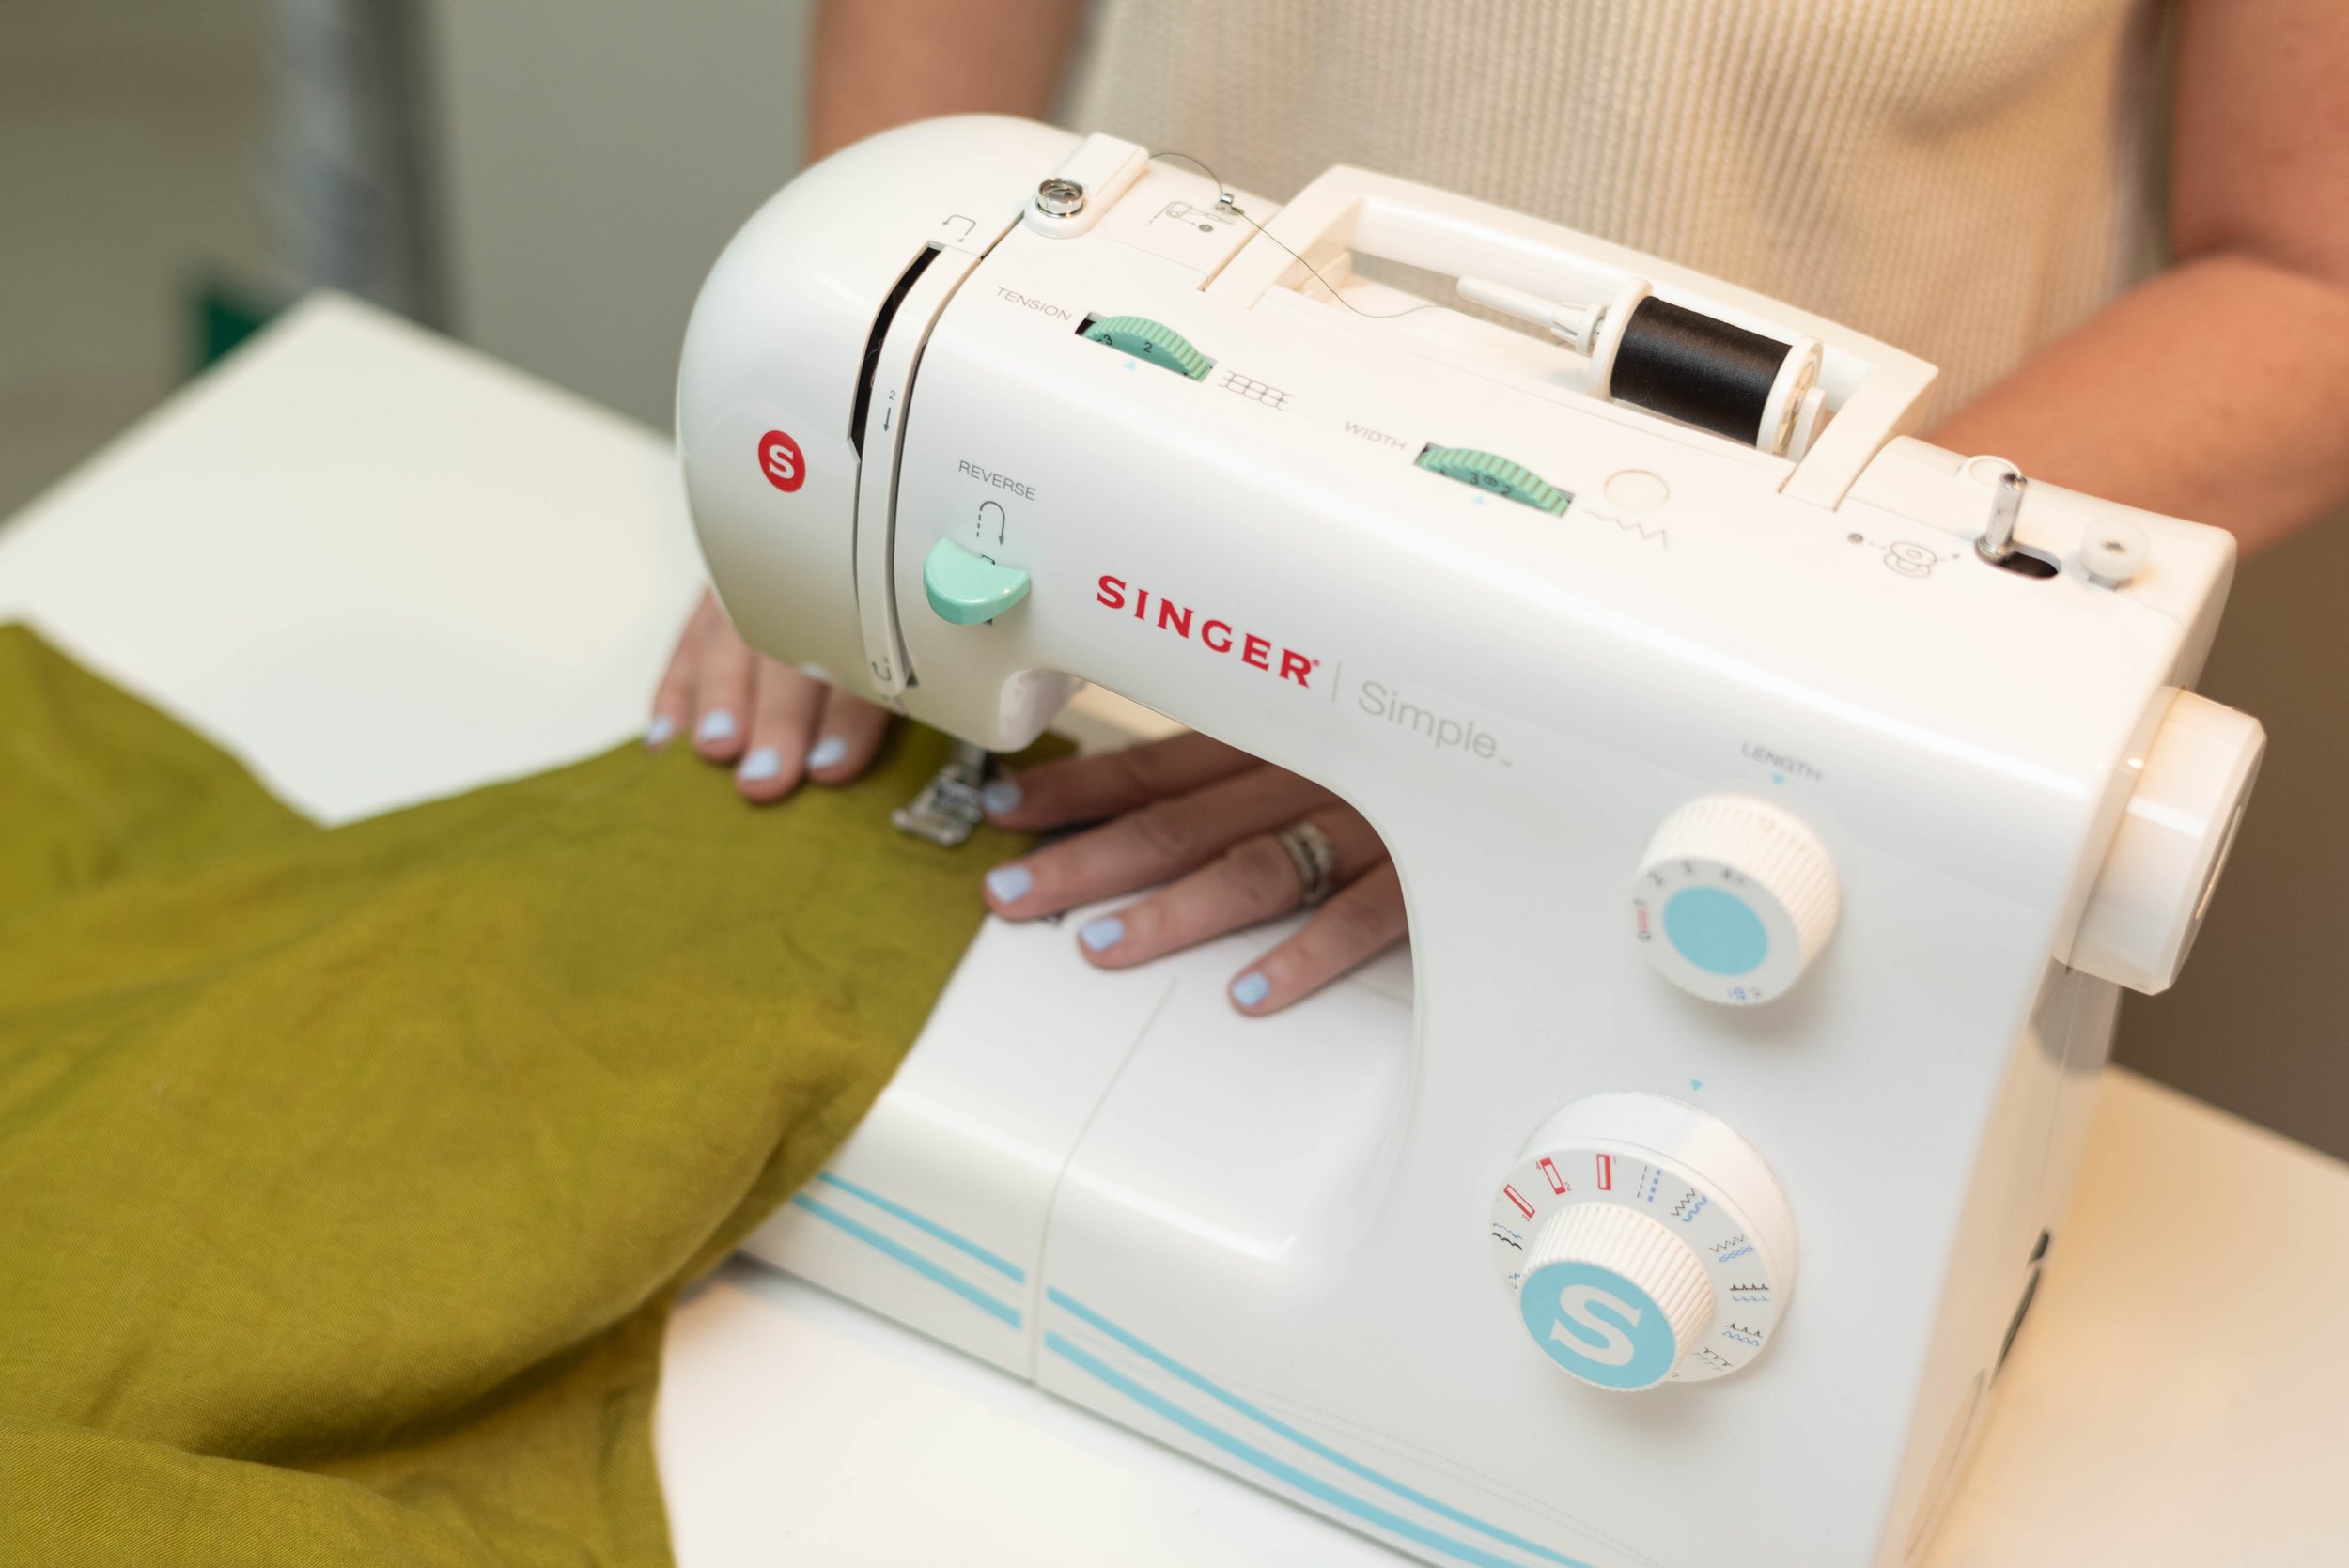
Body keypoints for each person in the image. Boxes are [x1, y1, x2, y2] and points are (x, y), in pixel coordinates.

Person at [650, 0, 2349, 1017]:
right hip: (1111, 582)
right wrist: (869, 397)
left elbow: (2312, 270)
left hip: (1745, 738)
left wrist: (1605, 674)